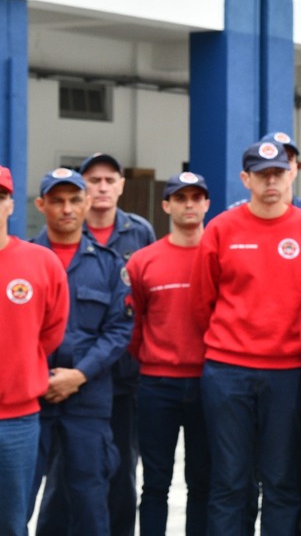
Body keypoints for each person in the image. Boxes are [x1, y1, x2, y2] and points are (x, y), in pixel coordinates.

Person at [191, 139, 301, 534]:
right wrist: (231, 343)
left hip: (289, 374)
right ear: (245, 179)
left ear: (291, 175)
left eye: (278, 173)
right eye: (262, 174)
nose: (271, 181)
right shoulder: (221, 229)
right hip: (228, 372)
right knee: (230, 481)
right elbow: (202, 301)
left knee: (283, 480)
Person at [33, 153, 158, 536]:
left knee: (93, 490)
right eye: (57, 200)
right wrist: (41, 377)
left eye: (74, 199)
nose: (67, 208)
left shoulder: (110, 260)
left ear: (86, 201)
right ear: (42, 206)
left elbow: (121, 328)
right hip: (31, 396)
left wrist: (79, 374)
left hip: (93, 394)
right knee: (25, 492)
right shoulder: (26, 259)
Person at [126, 172, 212, 536]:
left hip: (210, 382)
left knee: (203, 481)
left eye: (196, 197)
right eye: (180, 198)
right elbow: (134, 323)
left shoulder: (218, 256)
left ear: (207, 204)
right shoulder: (143, 261)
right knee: (155, 482)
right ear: (166, 205)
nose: (189, 204)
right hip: (157, 384)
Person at [0, 164, 69, 536]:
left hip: (17, 420)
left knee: (12, 522)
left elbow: (51, 332)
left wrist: (19, 361)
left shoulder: (41, 263)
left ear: (11, 204)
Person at [228, 131, 301, 220]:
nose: (272, 177)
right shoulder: (232, 216)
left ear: (296, 167)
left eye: (288, 159)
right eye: (270, 161)